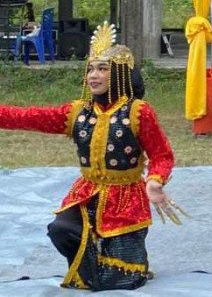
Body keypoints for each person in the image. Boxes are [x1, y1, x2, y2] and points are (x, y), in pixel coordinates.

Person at [0, 24, 179, 290]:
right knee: (61, 230)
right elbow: (29, 117)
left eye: (102, 69)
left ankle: (117, 266)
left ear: (119, 73)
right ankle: (89, 266)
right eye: (91, 69)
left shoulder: (139, 112)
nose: (93, 76)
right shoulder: (77, 112)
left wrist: (155, 181)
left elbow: (162, 155)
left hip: (125, 200)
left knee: (121, 280)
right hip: (87, 194)